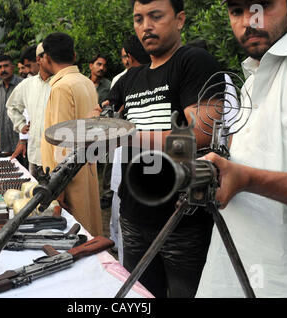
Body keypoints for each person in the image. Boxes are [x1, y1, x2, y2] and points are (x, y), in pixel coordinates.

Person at [196, 0, 287, 298]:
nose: (248, 21)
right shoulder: (250, 82)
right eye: (236, 11)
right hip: (233, 265)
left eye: (261, 6)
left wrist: (247, 179)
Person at [94, 0, 224, 297]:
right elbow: (107, 119)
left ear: (179, 20)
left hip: (182, 217)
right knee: (140, 294)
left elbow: (200, 135)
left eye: (155, 16)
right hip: (133, 214)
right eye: (138, 19)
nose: (146, 26)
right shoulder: (130, 79)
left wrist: (127, 137)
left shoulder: (194, 62)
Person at [40, 32, 103, 237]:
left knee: (76, 233)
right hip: (86, 167)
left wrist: (58, 188)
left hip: (68, 176)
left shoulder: (62, 87)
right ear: (74, 55)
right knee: (89, 226)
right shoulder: (85, 82)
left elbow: (62, 141)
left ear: (47, 58)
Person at [105, 34, 151, 264]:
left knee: (126, 219)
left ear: (130, 57)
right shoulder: (123, 80)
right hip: (140, 163)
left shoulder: (125, 79)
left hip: (132, 159)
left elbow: (109, 112)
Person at [7, 43, 52, 174]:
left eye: (28, 65)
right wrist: (21, 125)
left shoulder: (59, 83)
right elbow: (12, 106)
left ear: (39, 61)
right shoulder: (27, 84)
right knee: (35, 191)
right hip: (35, 153)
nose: (26, 70)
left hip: (56, 155)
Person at [0, 54, 29, 169]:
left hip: (23, 142)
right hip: (5, 142)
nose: (3, 70)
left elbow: (29, 114)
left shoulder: (24, 84)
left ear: (13, 67)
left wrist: (24, 139)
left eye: (6, 66)